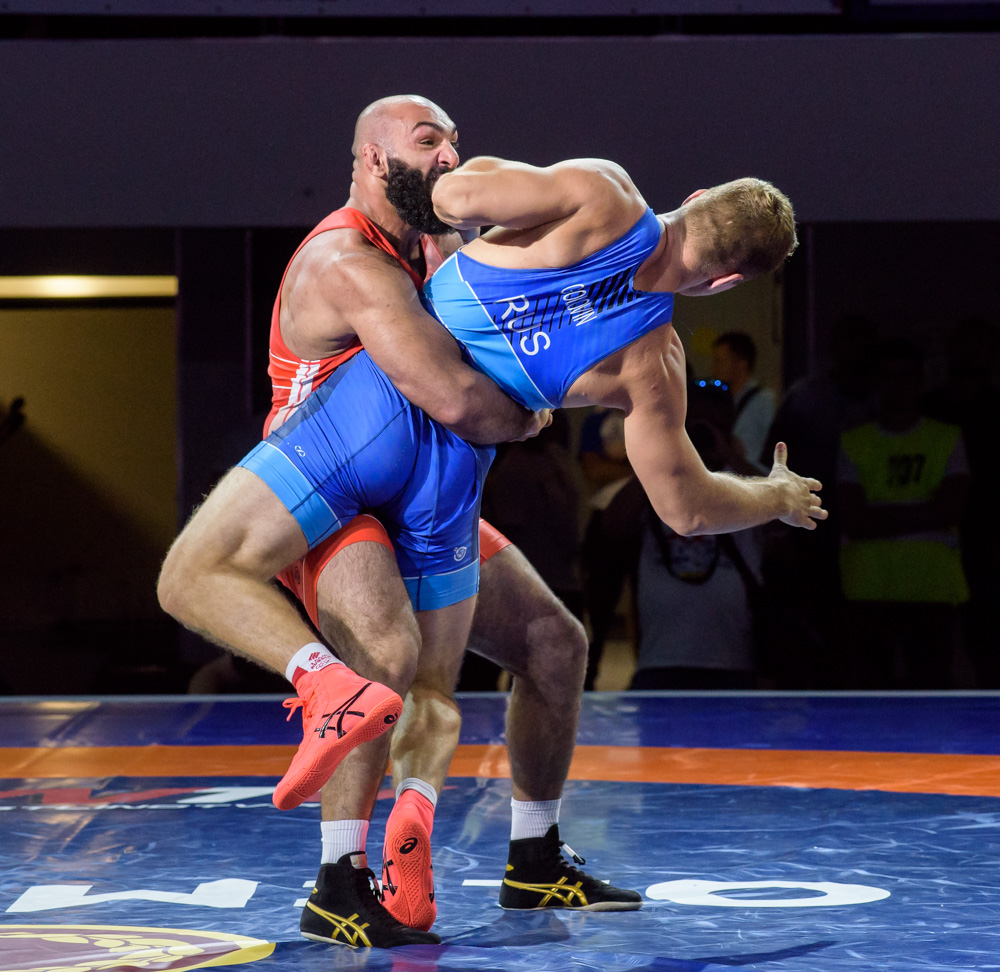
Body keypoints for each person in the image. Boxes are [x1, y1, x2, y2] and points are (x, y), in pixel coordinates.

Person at [160, 120, 826, 947]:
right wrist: (773, 496)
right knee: (426, 680)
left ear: (692, 199)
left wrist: (452, 218)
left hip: (376, 418)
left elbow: (454, 194)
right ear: (723, 282)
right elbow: (687, 509)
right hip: (451, 474)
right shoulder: (652, 361)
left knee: (508, 646)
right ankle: (407, 817)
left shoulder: (600, 193)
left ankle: (478, 852)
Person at [160, 96, 627, 950]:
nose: (450, 156)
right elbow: (457, 399)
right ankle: (337, 882)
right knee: (383, 658)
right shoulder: (346, 261)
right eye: (428, 141)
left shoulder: (433, 250)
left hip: (421, 496)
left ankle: (534, 857)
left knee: (554, 644)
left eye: (455, 141)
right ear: (375, 161)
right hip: (330, 501)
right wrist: (529, 413)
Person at [837, 338, 969, 688]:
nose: (897, 385)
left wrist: (878, 516)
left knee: (931, 692)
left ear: (920, 382)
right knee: (870, 694)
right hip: (867, 588)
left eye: (906, 375)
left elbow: (950, 509)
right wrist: (923, 510)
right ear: (877, 381)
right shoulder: (855, 441)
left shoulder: (946, 438)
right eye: (889, 375)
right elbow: (852, 519)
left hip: (931, 588)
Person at [631, 382, 764, 689]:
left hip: (732, 658)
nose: (704, 434)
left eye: (715, 425)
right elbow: (614, 525)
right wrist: (666, 456)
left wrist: (729, 456)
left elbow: (785, 513)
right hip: (660, 657)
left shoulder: (750, 478)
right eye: (696, 425)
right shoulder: (659, 477)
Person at [711, 331, 775, 473]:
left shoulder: (764, 401)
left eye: (720, 361)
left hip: (753, 479)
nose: (714, 368)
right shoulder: (723, 401)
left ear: (741, 364)